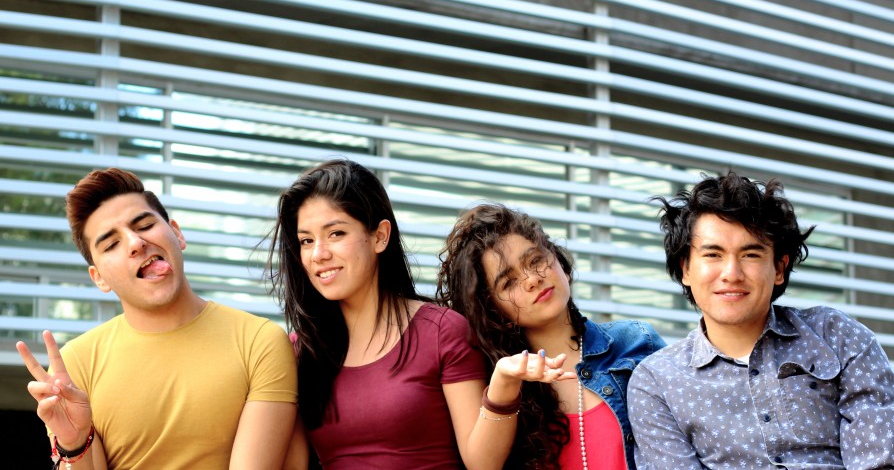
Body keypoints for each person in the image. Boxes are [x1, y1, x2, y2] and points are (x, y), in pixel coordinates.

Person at [267, 159, 570, 469]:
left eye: (335, 234)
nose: (319, 254)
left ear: (380, 236)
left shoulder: (441, 331)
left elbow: (482, 462)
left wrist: (504, 384)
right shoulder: (299, 353)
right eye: (306, 240)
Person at [627, 171, 894, 469]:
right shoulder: (657, 381)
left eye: (751, 255)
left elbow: (885, 459)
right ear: (686, 268)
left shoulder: (837, 336)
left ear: (779, 268)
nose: (731, 273)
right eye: (713, 254)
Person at [15, 168, 298, 469]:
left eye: (145, 225)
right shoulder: (74, 366)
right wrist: (73, 444)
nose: (135, 243)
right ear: (99, 279)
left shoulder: (260, 341)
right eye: (111, 244)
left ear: (177, 233)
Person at [436, 203, 665, 470]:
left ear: (560, 263)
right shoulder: (494, 382)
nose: (532, 279)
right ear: (495, 312)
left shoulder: (635, 342)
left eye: (535, 260)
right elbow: (483, 466)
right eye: (508, 282)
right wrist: (504, 384)